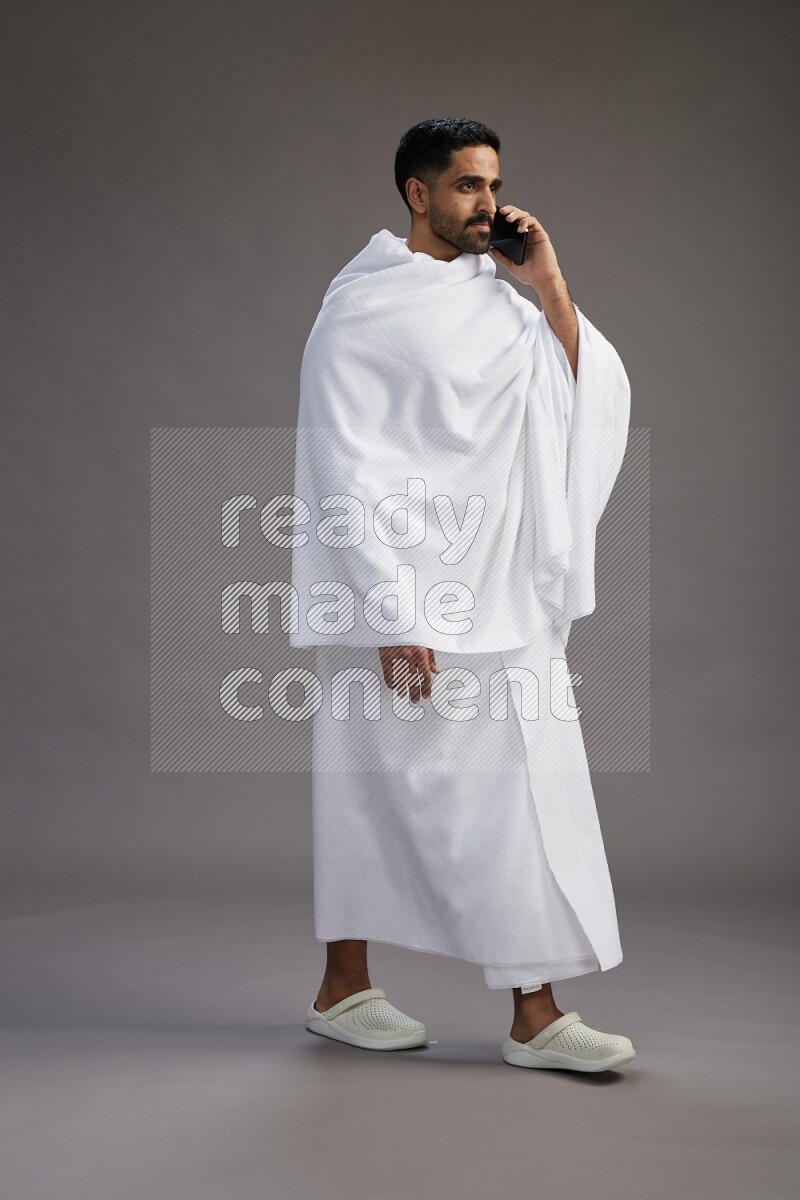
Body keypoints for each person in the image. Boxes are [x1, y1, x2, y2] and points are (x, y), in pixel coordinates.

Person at [291, 117, 635, 1071]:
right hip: (398, 591)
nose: (490, 204)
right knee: (367, 790)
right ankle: (342, 989)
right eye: (469, 186)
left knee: (523, 800)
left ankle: (536, 1014)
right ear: (419, 193)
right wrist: (390, 611)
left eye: (495, 185)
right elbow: (342, 462)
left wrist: (549, 285)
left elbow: (584, 398)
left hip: (503, 592)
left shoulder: (506, 305)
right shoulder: (360, 309)